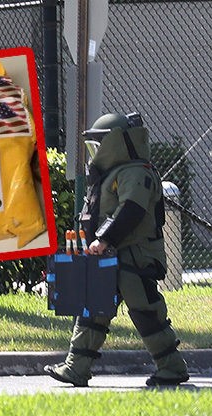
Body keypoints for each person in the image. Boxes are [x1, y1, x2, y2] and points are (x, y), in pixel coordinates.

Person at [44, 112, 189, 387]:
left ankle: (172, 368)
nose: (94, 154)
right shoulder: (118, 172)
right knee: (92, 309)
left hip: (134, 258)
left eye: (99, 146)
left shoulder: (136, 172)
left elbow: (131, 209)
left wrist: (104, 239)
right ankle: (76, 368)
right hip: (111, 257)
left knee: (147, 313)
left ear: (116, 144)